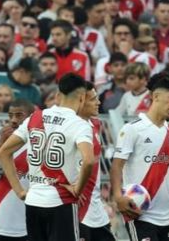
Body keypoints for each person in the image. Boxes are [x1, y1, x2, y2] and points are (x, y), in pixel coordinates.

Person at [0, 73, 95, 241]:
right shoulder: (80, 124)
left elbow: (3, 152)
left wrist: (20, 191)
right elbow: (88, 160)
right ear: (82, 98)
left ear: (58, 95)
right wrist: (77, 190)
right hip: (61, 202)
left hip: (33, 201)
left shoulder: (35, 117)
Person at [110, 75, 169, 241]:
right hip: (140, 213)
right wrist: (118, 197)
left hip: (168, 216)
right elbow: (117, 166)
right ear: (156, 96)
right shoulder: (133, 129)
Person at [0, 99, 34, 241]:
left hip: (30, 220)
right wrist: (1, 142)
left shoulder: (38, 144)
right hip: (3, 220)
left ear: (31, 117)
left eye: (19, 115)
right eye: (10, 115)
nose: (13, 120)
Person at [77, 82, 114, 241]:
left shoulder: (95, 124)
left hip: (96, 203)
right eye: (93, 99)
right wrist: (66, 186)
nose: (98, 103)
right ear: (80, 101)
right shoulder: (70, 126)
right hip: (79, 205)